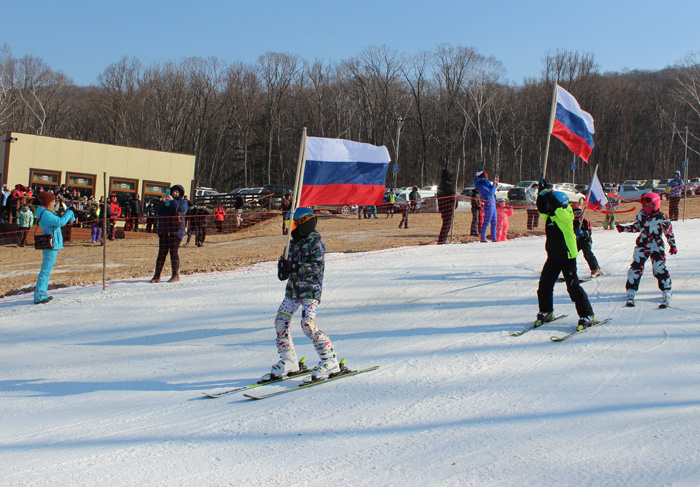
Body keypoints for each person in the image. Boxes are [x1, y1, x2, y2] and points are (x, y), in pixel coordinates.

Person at [271, 207, 339, 381]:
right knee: (280, 322)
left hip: (310, 291)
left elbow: (316, 268)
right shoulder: (292, 243)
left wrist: (294, 267)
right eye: (288, 224)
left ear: (304, 224)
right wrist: (283, 267)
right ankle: (289, 360)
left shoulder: (315, 243)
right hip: (293, 291)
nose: (289, 229)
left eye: (292, 224)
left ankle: (329, 360)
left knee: (307, 325)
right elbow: (285, 262)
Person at [535, 180, 596, 331]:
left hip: (567, 257)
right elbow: (541, 207)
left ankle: (587, 315)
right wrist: (540, 193)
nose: (548, 208)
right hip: (553, 257)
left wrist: (546, 194)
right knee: (544, 286)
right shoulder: (551, 216)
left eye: (551, 205)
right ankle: (547, 311)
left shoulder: (565, 214)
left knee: (573, 287)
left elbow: (554, 205)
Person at [616, 192, 676, 307]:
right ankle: (631, 289)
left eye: (649, 205)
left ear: (656, 204)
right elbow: (636, 227)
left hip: (656, 244)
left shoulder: (662, 217)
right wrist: (624, 228)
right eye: (644, 205)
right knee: (636, 266)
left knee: (659, 266)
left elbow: (669, 232)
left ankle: (666, 289)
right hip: (643, 243)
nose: (646, 208)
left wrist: (672, 245)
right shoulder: (641, 214)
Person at [33, 191, 75, 304]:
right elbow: (60, 222)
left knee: (46, 270)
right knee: (45, 270)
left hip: (51, 243)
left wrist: (69, 212)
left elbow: (65, 220)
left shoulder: (44, 212)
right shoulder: (46, 213)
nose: (54, 203)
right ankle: (39, 295)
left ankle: (42, 293)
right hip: (51, 244)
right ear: (48, 202)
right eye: (52, 201)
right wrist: (69, 212)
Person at [151, 185, 188, 283]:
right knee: (161, 253)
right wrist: (162, 202)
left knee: (173, 252)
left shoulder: (183, 202)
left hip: (176, 231)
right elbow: (156, 210)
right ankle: (156, 275)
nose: (175, 193)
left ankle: (175, 275)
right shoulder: (165, 203)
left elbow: (181, 210)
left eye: (177, 192)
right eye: (173, 191)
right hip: (164, 230)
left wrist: (172, 200)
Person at [572, 205, 601, 277]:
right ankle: (569, 271)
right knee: (570, 255)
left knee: (587, 253)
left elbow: (589, 232)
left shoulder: (585, 221)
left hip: (585, 240)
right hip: (575, 241)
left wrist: (582, 233)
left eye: (578, 213)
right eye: (574, 213)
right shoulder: (570, 221)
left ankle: (595, 269)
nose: (576, 215)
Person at [474, 171, 497, 242]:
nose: (487, 178)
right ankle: (482, 238)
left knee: (494, 221)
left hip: (493, 203)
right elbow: (490, 192)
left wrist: (494, 184)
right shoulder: (480, 185)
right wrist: (494, 186)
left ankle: (494, 238)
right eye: (486, 177)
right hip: (488, 204)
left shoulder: (487, 185)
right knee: (487, 221)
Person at [437, 169, 457, 244]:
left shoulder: (441, 183)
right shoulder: (448, 184)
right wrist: (455, 203)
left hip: (443, 207)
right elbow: (453, 196)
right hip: (448, 207)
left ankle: (442, 240)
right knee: (446, 224)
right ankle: (442, 240)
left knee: (446, 224)